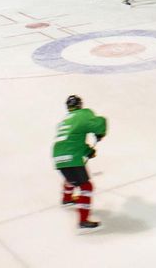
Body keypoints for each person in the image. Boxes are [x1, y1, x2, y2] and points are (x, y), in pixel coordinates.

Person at [52, 94, 107, 230]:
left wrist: (87, 151)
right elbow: (99, 123)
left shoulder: (64, 121)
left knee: (71, 177)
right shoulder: (82, 114)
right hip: (72, 156)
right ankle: (83, 221)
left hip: (58, 157)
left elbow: (72, 141)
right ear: (79, 105)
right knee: (86, 187)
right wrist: (100, 133)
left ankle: (67, 198)